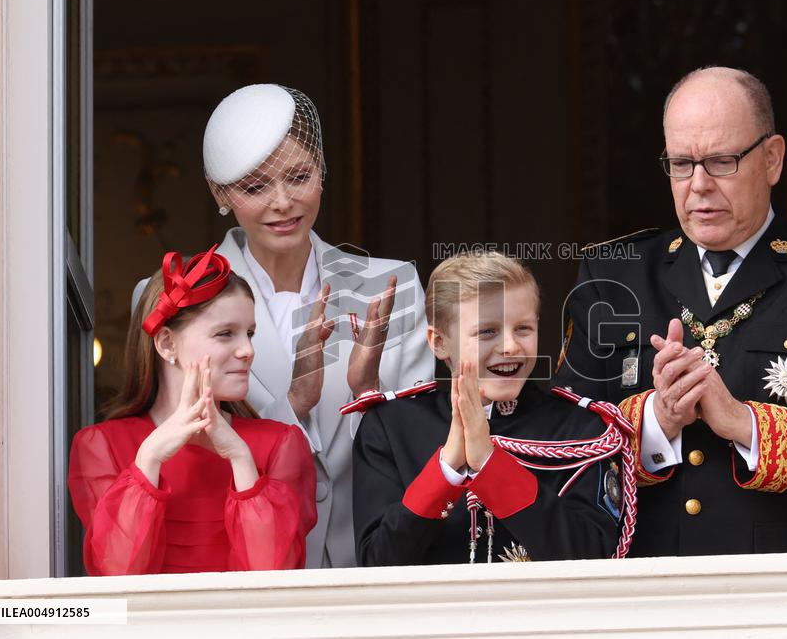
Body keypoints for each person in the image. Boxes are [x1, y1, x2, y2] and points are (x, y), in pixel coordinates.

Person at [553, 66, 787, 556]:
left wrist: (743, 422)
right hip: (646, 595)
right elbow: (556, 444)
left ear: (772, 159)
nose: (699, 185)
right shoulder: (614, 276)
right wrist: (655, 420)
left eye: (722, 161)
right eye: (681, 163)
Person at [136, 84, 433, 568]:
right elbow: (180, 453)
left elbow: (421, 445)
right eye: (255, 187)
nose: (282, 202)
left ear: (323, 171)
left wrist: (370, 392)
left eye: (299, 176)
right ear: (219, 192)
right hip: (239, 569)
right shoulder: (171, 296)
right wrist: (292, 405)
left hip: (375, 565)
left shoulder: (393, 284)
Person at [352, 252, 624, 566]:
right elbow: (377, 564)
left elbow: (594, 559)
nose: (509, 345)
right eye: (487, 332)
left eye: (523, 328)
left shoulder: (583, 429)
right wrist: (447, 469)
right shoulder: (390, 426)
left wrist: (489, 464)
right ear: (439, 342)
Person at [70, 247, 317, 575]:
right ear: (167, 344)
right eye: (225, 333)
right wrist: (149, 460)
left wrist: (241, 460)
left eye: (249, 333)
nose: (247, 350)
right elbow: (117, 575)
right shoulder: (101, 445)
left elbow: (273, 579)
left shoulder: (281, 444)